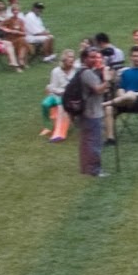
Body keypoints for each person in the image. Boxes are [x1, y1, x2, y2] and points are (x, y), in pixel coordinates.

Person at [75, 47, 111, 177]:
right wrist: (107, 80)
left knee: (86, 142)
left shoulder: (81, 72)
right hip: (92, 112)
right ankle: (95, 170)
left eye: (96, 57)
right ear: (85, 58)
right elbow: (99, 90)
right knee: (94, 143)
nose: (95, 59)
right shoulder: (87, 73)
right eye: (92, 57)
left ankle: (86, 168)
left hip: (85, 112)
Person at [41, 49, 78, 142]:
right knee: (45, 104)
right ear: (64, 59)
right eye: (69, 57)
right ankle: (48, 127)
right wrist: (60, 92)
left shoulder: (76, 70)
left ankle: (60, 131)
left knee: (61, 103)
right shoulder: (56, 71)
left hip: (70, 96)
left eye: (73, 57)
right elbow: (52, 87)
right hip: (57, 94)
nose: (72, 59)